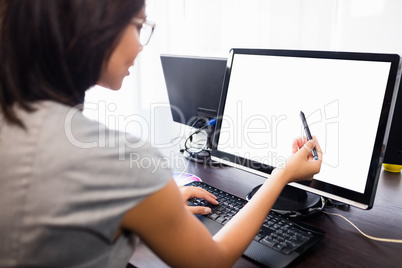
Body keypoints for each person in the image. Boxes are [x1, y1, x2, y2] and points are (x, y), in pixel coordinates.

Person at [0, 0, 322, 267]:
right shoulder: (119, 158)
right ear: (94, 27)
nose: (141, 46)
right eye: (139, 26)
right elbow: (213, 260)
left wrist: (149, 208)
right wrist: (281, 174)